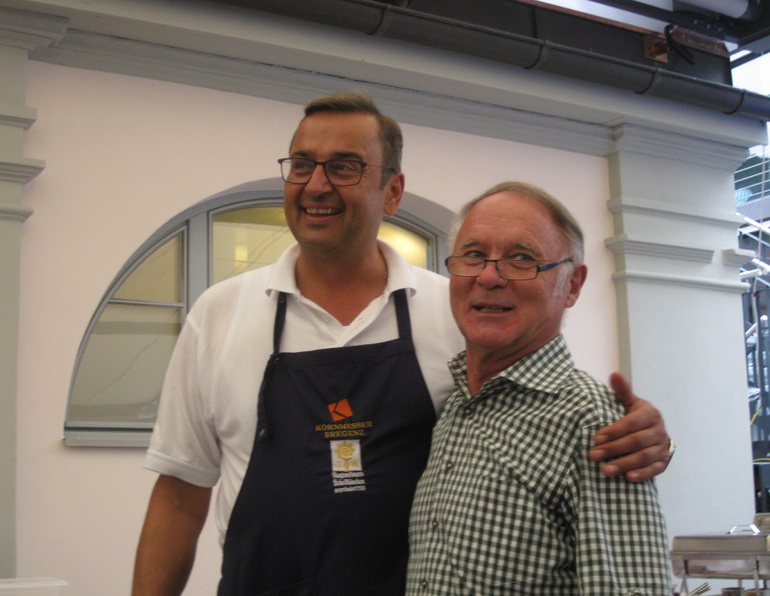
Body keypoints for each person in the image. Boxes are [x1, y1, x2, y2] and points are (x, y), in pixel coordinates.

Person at [131, 92, 672, 596]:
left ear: (392, 192)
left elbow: (548, 404)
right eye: (301, 164)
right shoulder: (218, 315)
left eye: (344, 166)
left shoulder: (456, 310)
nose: (316, 185)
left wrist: (644, 437)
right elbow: (179, 497)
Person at [406, 181, 671, 595]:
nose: (489, 276)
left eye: (522, 259)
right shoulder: (456, 407)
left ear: (572, 285)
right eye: (473, 255)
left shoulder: (592, 424)